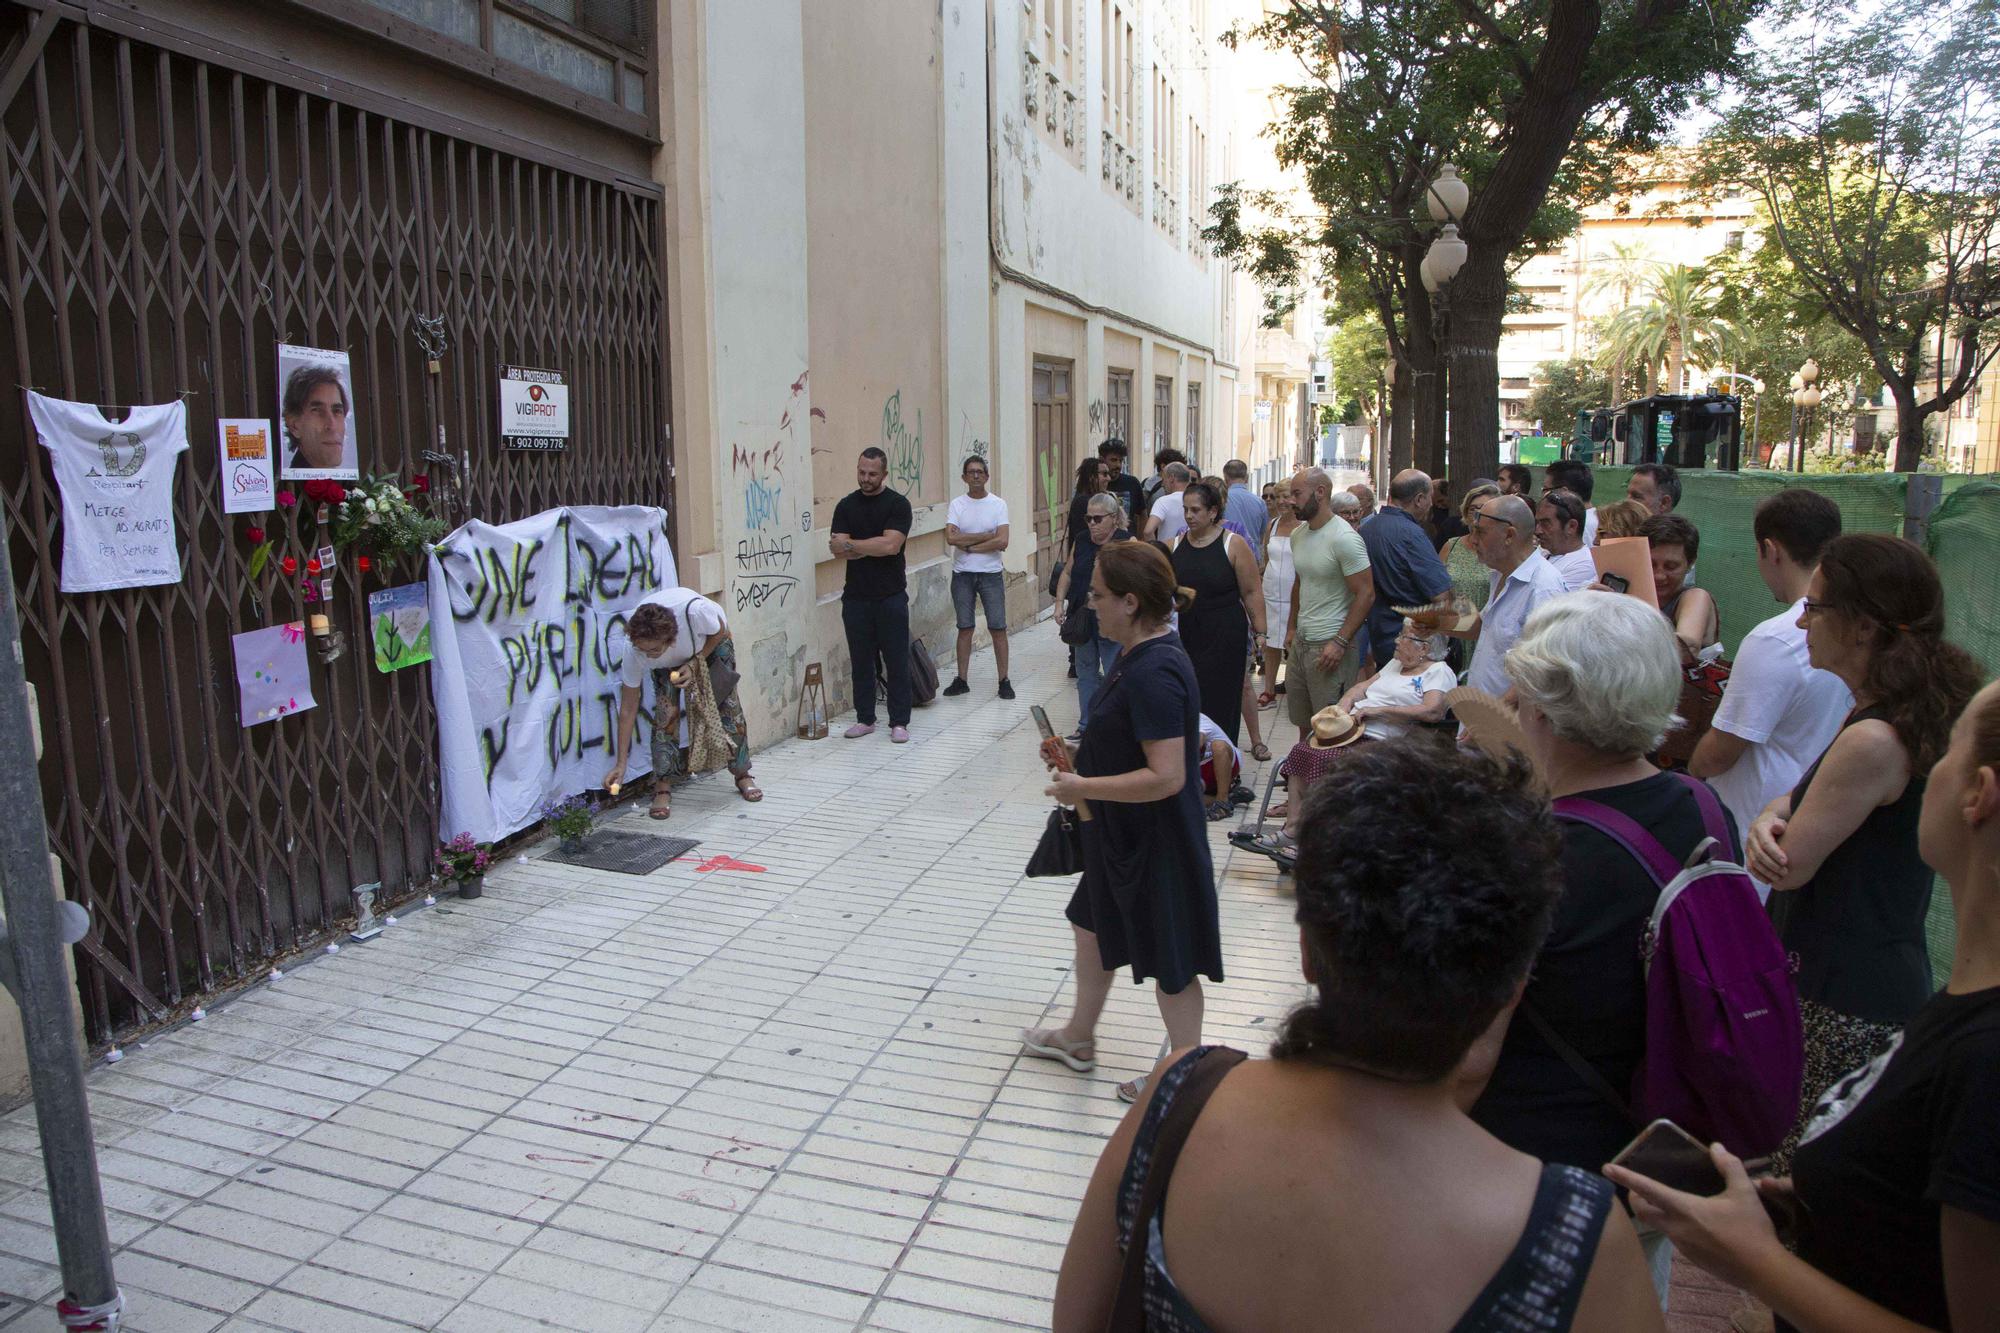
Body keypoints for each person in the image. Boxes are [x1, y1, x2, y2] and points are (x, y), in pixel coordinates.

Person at [1055, 741, 1664, 1332]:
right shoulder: (1574, 1237)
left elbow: (1079, 1318)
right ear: (1513, 986)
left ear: (1308, 953)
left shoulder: (1178, 1099)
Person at [1608, 678, 2000, 1333]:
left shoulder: (1986, 1056)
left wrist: (1757, 1264)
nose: (1924, 776)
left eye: (1947, 751)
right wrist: (1814, 1204)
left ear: (1978, 794)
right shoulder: (1962, 1007)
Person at [1470, 592, 1739, 1300]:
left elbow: (1471, 1052)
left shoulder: (1534, 852)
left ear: (1545, 704)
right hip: (1653, 1154)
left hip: (1535, 1166)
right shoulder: (1702, 805)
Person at [1746, 534, 1981, 1147]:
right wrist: (1772, 813)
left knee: (1798, 1178)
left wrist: (1767, 831)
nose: (1801, 619)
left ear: (1862, 628)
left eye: (1816, 607)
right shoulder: (1889, 712)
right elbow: (1797, 801)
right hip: (1868, 979)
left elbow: (1788, 863)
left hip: (1840, 996)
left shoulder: (1872, 737)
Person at [1025, 543, 1221, 1104]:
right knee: (1090, 924)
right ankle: (1079, 1037)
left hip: (1157, 842)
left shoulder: (1154, 670)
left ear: (1131, 602)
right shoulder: (1137, 654)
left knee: (1172, 962)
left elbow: (1166, 776)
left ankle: (1183, 1077)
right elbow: (1131, 743)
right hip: (1122, 837)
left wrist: (1081, 786)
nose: (1090, 606)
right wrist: (1079, 751)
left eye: (1098, 596)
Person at [1688, 490, 1851, 875]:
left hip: (1755, 833)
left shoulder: (1776, 638)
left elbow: (1722, 749)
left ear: (1770, 549)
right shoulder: (1857, 626)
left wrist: (1688, 769)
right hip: (1810, 817)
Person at [603, 590, 762, 819]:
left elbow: (721, 631)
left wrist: (695, 662)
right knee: (665, 716)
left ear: (670, 639)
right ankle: (663, 785)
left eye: (654, 650)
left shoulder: (697, 613)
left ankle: (742, 774)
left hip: (711, 643)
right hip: (673, 662)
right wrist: (621, 764)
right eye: (643, 650)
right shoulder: (636, 652)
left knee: (728, 707)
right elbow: (628, 709)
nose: (648, 656)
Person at [1171, 481, 1265, 746]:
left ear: (1213, 512)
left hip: (1225, 634)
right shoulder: (1175, 543)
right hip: (1187, 634)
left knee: (1222, 701)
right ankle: (1193, 762)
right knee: (1190, 698)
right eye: (1186, 509)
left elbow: (1251, 592)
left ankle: (1224, 763)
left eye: (1196, 510)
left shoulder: (1233, 544)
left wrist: (1261, 632)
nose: (1189, 515)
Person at [1284, 468, 1374, 745]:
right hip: (1302, 643)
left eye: (1297, 494)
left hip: (1330, 644)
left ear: (1320, 492)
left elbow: (1366, 593)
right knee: (1303, 724)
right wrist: (1290, 628)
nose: (1291, 501)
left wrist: (1340, 641)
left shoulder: (1344, 538)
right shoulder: (1298, 534)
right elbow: (1300, 583)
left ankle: (1328, 784)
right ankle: (1304, 780)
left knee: (1331, 730)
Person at [831, 449, 914, 742]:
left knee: (896, 659)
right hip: (855, 597)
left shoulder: (898, 505)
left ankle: (899, 721)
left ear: (884, 474)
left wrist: (853, 545)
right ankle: (865, 718)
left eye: (872, 474)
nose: (866, 479)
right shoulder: (845, 505)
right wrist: (871, 545)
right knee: (861, 661)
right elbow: (836, 549)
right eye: (862, 472)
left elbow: (891, 546)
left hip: (891, 596)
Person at [1455, 494, 1566, 699]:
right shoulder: (1499, 573)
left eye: (1480, 532)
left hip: (1506, 724)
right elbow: (1482, 627)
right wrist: (1433, 622)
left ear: (1509, 535)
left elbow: (1542, 669)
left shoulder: (1543, 588)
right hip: (1483, 717)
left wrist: (1498, 712)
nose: (1473, 540)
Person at [1357, 469, 1453, 668]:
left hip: (1378, 634)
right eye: (1429, 498)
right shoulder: (1412, 535)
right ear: (1419, 499)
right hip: (1411, 640)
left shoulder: (1367, 529)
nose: (1431, 505)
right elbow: (1442, 597)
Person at [1055, 493, 1132, 736]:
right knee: (1085, 675)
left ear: (1114, 518)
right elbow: (1067, 572)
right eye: (1088, 518)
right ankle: (1086, 726)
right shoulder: (1082, 539)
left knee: (1114, 675)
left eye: (1097, 519)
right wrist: (1059, 603)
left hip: (1113, 621)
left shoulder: (1126, 542)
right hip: (1083, 618)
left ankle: (1114, 727)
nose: (1091, 524)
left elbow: (1138, 580)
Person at [942, 454, 1013, 700]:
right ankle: (962, 679)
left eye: (979, 472)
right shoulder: (957, 505)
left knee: (998, 627)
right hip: (962, 574)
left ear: (986, 476)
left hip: (990, 574)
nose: (975, 475)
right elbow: (951, 538)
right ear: (963, 477)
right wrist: (986, 536)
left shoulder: (998, 504)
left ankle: (1004, 680)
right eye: (970, 472)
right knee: (965, 627)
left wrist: (970, 545)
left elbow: (1003, 540)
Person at [1335, 621, 1456, 742]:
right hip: (1352, 729)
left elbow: (1432, 711)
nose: (1396, 640)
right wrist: (1346, 701)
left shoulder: (1439, 671)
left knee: (1325, 756)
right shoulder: (1396, 663)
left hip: (1383, 740)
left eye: (1403, 637)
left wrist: (1380, 711)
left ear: (1424, 648)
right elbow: (1362, 687)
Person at [1640, 513, 1718, 666]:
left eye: (1671, 567)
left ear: (1690, 563)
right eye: (1650, 564)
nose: (1659, 576)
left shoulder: (1696, 597)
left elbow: (1688, 645)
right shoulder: (1630, 593)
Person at [1258, 482, 1302, 707]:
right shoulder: (1272, 525)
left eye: (1286, 496)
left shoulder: (1304, 526)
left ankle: (1294, 690)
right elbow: (1266, 557)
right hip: (1271, 592)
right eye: (1277, 497)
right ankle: (1268, 690)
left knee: (1292, 643)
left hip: (1295, 594)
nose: (1281, 502)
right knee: (1271, 642)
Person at [1439, 480, 1500, 613]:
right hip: (1453, 625)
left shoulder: (1501, 550)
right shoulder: (1451, 546)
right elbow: (1437, 586)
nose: (1478, 513)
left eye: (1483, 508)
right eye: (1473, 508)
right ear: (1465, 513)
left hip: (1486, 627)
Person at [281, 365, 350, 471]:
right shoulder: (292, 486)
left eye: (337, 411)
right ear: (294, 425)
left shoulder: (349, 484)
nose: (332, 425)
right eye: (317, 411)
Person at [1535, 487, 1599, 591]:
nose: (1537, 531)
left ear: (1571, 526)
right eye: (1537, 523)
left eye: (1545, 524)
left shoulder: (1583, 566)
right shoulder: (1544, 550)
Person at [1196, 712, 1244, 820]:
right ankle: (1227, 799)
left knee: (1218, 745)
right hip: (1195, 770)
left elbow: (1195, 745)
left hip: (1222, 763)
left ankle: (1222, 803)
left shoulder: (1197, 717)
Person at [1221, 460, 1269, 559]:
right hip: (1252, 554)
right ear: (1246, 478)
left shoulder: (1222, 500)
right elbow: (1263, 534)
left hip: (1227, 553)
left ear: (1225, 478)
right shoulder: (1260, 502)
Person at [1544, 458, 1598, 546]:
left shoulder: (1581, 526)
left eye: (1546, 489)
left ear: (1563, 492)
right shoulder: (1596, 519)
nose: (1544, 496)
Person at [1098, 438, 1147, 527]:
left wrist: (1140, 540)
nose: (1118, 465)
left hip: (1128, 539)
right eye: (1113, 460)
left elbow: (1142, 515)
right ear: (1102, 460)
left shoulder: (1132, 483)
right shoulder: (1094, 485)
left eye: (1121, 461)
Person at [1142, 461, 1192, 542]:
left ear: (1172, 478)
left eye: (1163, 479)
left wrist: (1158, 551)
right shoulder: (1197, 501)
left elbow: (1148, 531)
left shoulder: (1163, 502)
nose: (1162, 484)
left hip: (1168, 552)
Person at [1427, 477, 1467, 551]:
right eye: (1435, 504)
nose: (1439, 506)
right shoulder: (1437, 513)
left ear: (1449, 495)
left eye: (1441, 501)